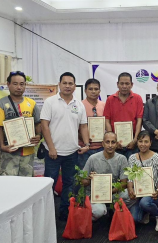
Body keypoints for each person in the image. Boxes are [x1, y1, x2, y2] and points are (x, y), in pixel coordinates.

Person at [40, 72, 90, 221]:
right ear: (59, 84)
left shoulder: (79, 104)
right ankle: (46, 216)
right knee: (49, 185)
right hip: (52, 153)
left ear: (75, 86)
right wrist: (52, 147)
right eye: (65, 83)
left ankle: (64, 213)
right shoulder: (50, 102)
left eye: (71, 83)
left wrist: (86, 143)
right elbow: (44, 125)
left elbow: (83, 126)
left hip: (72, 152)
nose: (68, 86)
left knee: (69, 184)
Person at [0, 71, 41, 177]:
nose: (19, 87)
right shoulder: (0, 104)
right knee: (8, 185)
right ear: (8, 84)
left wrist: (38, 135)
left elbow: (38, 123)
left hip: (28, 153)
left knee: (27, 186)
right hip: (9, 153)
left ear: (25, 85)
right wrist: (2, 146)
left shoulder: (32, 103)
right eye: (15, 84)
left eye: (22, 84)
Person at [82, 131, 131, 221]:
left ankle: (114, 209)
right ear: (103, 144)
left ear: (116, 144)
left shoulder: (122, 159)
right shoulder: (93, 158)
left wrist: (108, 192)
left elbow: (124, 184)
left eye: (113, 142)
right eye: (107, 142)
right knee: (99, 211)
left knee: (128, 195)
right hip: (96, 195)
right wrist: (89, 179)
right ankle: (95, 214)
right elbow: (83, 182)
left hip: (113, 192)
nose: (110, 145)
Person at [127, 131, 158, 231]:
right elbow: (130, 177)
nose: (143, 144)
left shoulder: (157, 157)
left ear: (150, 143)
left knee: (145, 203)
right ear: (137, 142)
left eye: (146, 141)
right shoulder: (132, 158)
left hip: (154, 194)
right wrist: (130, 188)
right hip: (138, 195)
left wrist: (157, 191)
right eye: (140, 141)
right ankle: (147, 212)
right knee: (135, 219)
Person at [104, 72, 143, 159]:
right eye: (122, 83)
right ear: (117, 84)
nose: (124, 86)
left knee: (132, 170)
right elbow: (107, 120)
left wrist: (135, 139)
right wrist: (113, 141)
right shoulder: (110, 99)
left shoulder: (137, 98)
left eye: (127, 83)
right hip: (115, 145)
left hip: (132, 143)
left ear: (131, 84)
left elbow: (139, 120)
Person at [75, 78, 106, 170]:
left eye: (96, 89)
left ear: (99, 91)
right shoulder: (78, 105)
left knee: (100, 175)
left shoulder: (104, 105)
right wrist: (83, 138)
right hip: (84, 148)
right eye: (90, 89)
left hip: (101, 147)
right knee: (83, 177)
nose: (93, 91)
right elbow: (74, 126)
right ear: (85, 91)